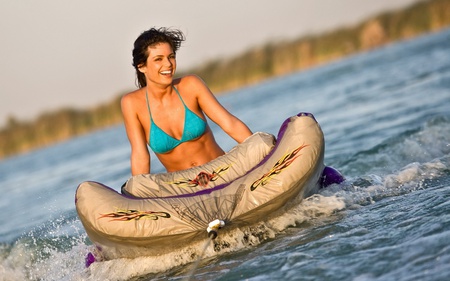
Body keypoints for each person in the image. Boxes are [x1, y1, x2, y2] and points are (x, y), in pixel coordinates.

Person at [121, 27, 253, 175]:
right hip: (184, 189)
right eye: (158, 59)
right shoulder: (132, 103)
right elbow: (140, 156)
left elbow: (229, 123)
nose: (168, 64)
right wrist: (135, 195)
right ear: (142, 66)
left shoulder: (190, 85)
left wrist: (260, 148)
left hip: (222, 172)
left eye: (171, 56)